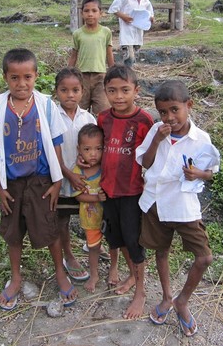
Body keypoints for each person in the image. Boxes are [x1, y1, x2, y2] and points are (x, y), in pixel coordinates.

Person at [0, 48, 78, 310]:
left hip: (41, 181)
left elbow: (56, 143)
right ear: (5, 78)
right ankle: (15, 277)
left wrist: (57, 180)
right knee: (13, 233)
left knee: (50, 227)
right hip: (12, 183)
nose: (21, 84)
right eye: (14, 78)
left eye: (27, 77)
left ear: (36, 76)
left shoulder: (45, 105)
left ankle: (59, 272)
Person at [136, 80, 220, 337]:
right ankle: (167, 297)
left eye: (174, 110)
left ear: (189, 106)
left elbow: (211, 172)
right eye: (163, 112)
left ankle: (183, 300)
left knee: (204, 257)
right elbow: (146, 163)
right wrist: (157, 140)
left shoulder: (201, 139)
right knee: (161, 252)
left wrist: (198, 174)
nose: (169, 117)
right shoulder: (156, 131)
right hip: (156, 203)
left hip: (184, 205)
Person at [97, 65, 154, 319]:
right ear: (105, 92)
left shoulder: (144, 121)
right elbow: (97, 152)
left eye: (125, 90)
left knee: (133, 241)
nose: (118, 96)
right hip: (108, 191)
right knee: (115, 236)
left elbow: (152, 158)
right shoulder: (102, 119)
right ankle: (130, 275)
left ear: (136, 91)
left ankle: (140, 291)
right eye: (112, 91)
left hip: (133, 193)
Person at [55, 67, 95, 282]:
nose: (70, 95)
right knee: (61, 219)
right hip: (60, 180)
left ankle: (93, 246)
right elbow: (50, 150)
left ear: (83, 91)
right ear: (56, 91)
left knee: (88, 214)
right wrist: (68, 173)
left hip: (83, 179)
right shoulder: (51, 116)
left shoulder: (88, 118)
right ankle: (68, 256)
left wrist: (85, 161)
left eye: (75, 90)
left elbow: (94, 147)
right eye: (64, 90)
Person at [70, 123, 118, 293]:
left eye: (98, 149)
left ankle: (114, 267)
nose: (93, 154)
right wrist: (96, 197)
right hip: (90, 218)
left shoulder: (106, 166)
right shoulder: (77, 171)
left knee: (113, 243)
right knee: (93, 246)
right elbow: (78, 196)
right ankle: (94, 274)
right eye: (87, 149)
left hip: (109, 215)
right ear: (79, 149)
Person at [68, 0, 115, 115]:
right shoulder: (77, 34)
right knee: (80, 110)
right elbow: (74, 55)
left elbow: (109, 53)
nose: (90, 14)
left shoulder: (105, 32)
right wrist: (68, 73)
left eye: (94, 11)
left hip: (101, 77)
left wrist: (113, 73)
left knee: (103, 109)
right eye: (86, 11)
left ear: (101, 13)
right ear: (81, 13)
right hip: (82, 77)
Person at [108, 0, 154, 68]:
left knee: (134, 57)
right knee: (129, 57)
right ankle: (128, 76)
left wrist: (151, 19)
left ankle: (128, 76)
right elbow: (113, 9)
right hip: (127, 34)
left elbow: (149, 14)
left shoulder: (145, 0)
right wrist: (123, 16)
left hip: (138, 34)